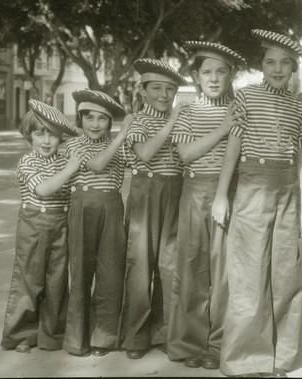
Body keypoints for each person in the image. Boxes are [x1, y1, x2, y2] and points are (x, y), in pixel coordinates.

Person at [211, 29, 302, 377]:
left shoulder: (301, 105)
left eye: (285, 63)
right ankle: (243, 361)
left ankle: (280, 357)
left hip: (287, 190)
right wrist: (221, 195)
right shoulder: (245, 97)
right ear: (260, 66)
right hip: (252, 189)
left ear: (294, 68)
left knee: (285, 275)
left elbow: (300, 158)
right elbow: (233, 148)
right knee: (249, 274)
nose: (277, 68)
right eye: (270, 61)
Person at [167, 41, 246, 370]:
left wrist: (223, 195)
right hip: (193, 191)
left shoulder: (240, 109)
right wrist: (224, 128)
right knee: (190, 267)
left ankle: (217, 344)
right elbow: (186, 155)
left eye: (221, 71)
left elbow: (236, 152)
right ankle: (188, 343)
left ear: (230, 76)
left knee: (223, 271)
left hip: (225, 192)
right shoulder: (186, 112)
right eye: (206, 72)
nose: (213, 78)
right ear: (196, 77)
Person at [119, 58, 186, 359]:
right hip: (146, 192)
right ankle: (135, 337)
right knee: (140, 265)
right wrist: (173, 122)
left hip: (176, 191)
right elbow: (145, 153)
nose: (164, 95)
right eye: (156, 88)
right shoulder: (136, 120)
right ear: (143, 90)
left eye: (170, 89)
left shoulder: (182, 120)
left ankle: (166, 332)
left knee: (170, 266)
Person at [1, 99, 80, 353]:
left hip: (61, 223)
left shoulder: (63, 158)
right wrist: (70, 169)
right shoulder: (27, 162)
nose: (46, 141)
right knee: (30, 279)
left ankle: (52, 333)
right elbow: (44, 190)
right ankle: (22, 334)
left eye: (53, 135)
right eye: (39, 133)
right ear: (28, 136)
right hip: (34, 223)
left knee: (57, 279)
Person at [62, 89, 128, 357]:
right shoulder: (74, 144)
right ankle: (77, 339)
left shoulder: (118, 146)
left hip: (112, 208)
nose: (95, 124)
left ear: (110, 122)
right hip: (82, 208)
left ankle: (104, 337)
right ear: (80, 118)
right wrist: (122, 136)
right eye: (89, 117)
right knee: (79, 272)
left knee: (110, 273)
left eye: (102, 118)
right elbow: (99, 165)